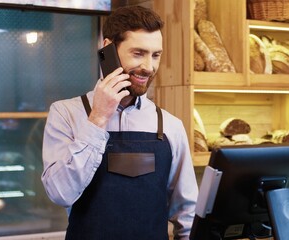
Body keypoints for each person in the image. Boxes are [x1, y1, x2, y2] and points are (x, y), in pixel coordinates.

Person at [41, 6, 198, 240]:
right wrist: (98, 118)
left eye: (155, 55)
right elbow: (60, 193)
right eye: (138, 53)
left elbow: (187, 212)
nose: (149, 66)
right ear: (108, 49)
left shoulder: (170, 125)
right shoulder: (66, 113)